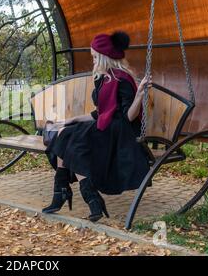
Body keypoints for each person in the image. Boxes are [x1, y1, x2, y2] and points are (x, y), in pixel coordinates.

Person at [42, 31, 152, 222]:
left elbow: (128, 116)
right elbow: (101, 113)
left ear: (103, 57)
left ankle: (82, 197)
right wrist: (73, 119)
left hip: (119, 132)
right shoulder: (103, 78)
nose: (92, 60)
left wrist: (140, 96)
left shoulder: (122, 79)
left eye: (94, 57)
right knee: (64, 133)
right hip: (105, 125)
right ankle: (75, 195)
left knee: (74, 142)